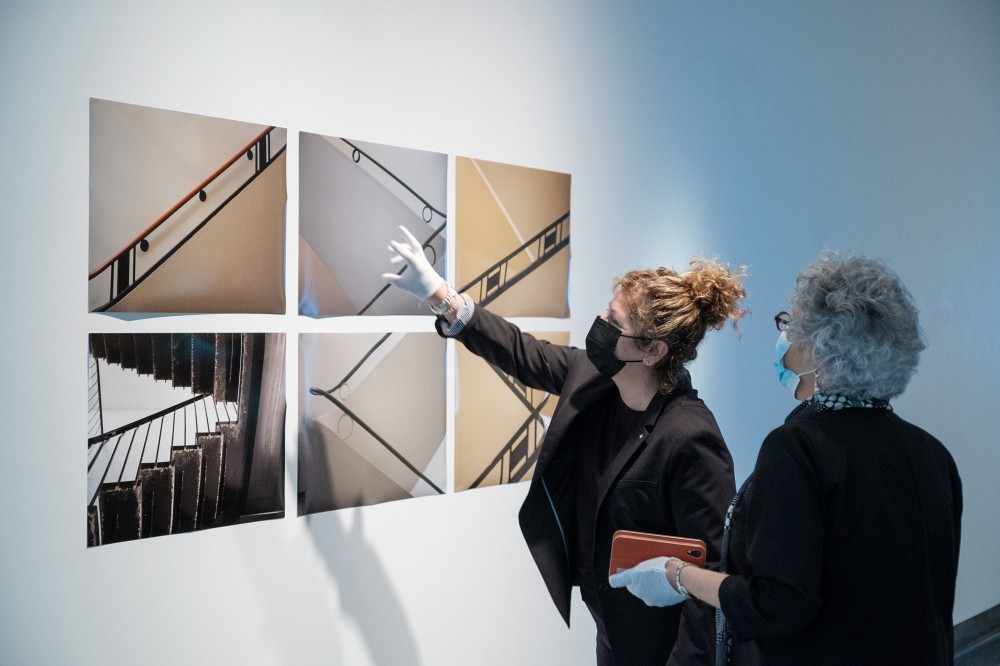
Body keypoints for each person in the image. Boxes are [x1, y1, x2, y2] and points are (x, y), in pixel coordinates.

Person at [383, 226, 747, 665]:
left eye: (615, 322)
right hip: (611, 630)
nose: (600, 325)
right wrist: (441, 295)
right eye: (607, 312)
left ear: (652, 351)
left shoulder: (690, 437)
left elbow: (712, 576)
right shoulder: (595, 379)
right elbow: (522, 353)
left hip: (661, 648)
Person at [609, 253, 963, 665]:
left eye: (791, 325)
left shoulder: (798, 450)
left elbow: (777, 603)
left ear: (820, 350)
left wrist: (679, 576)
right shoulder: (932, 455)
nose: (785, 336)